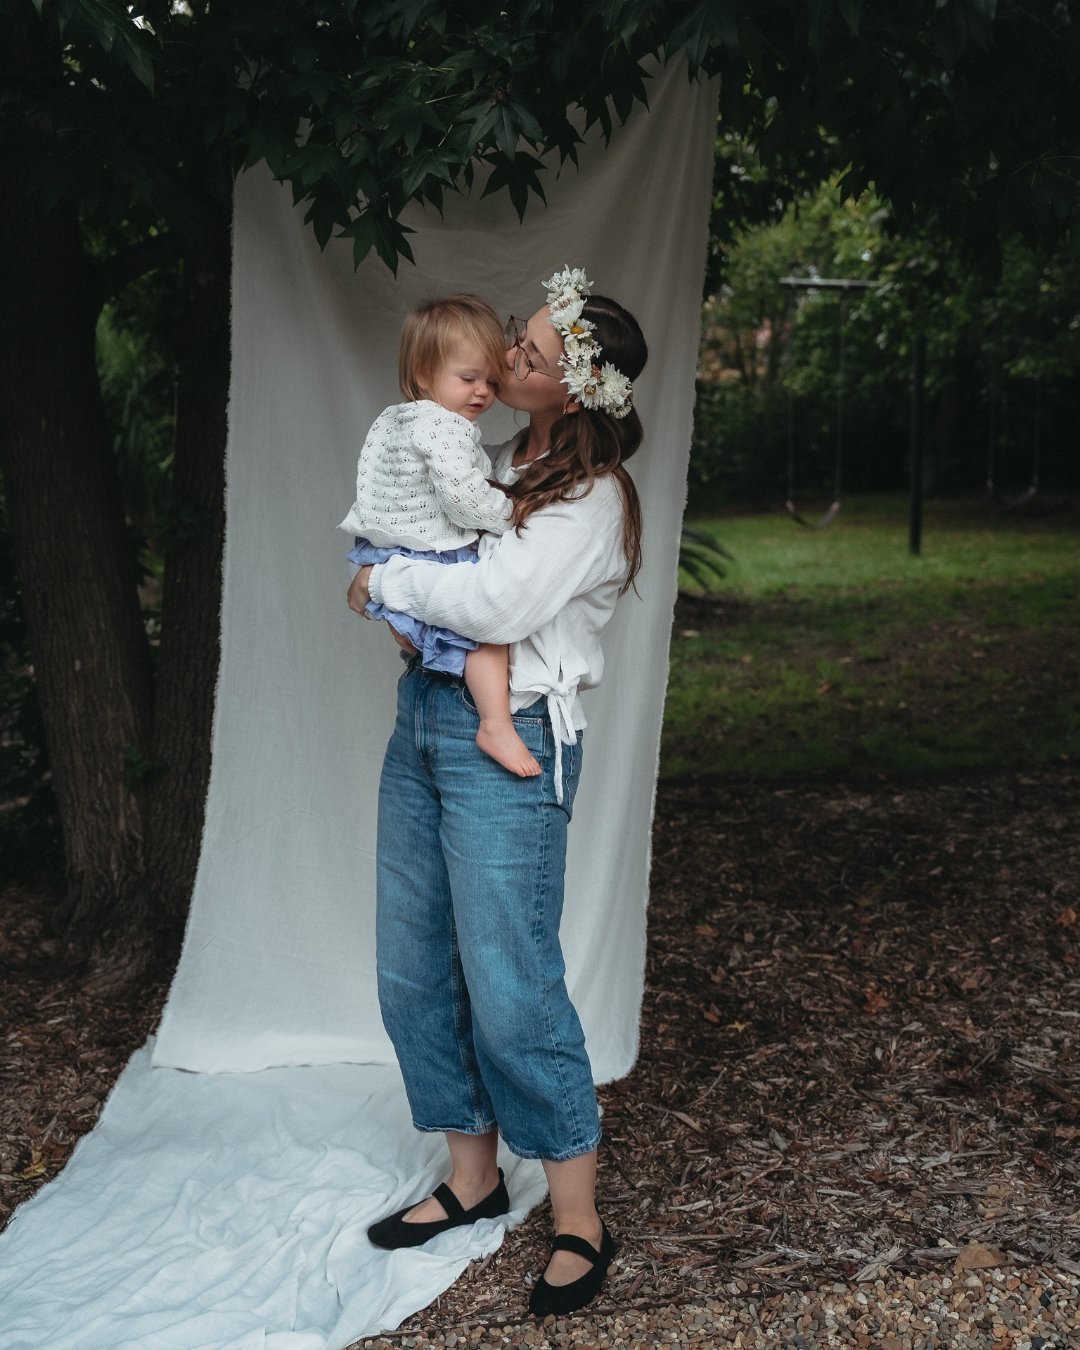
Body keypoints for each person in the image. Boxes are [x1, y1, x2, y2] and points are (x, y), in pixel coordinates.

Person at [347, 267, 647, 1317]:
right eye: (514, 346)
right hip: (425, 718)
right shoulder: (491, 454)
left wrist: (379, 580)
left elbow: (490, 599)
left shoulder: (592, 500)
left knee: (512, 986)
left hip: (510, 733)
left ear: (579, 389)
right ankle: (473, 1182)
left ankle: (578, 1217)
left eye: (530, 356)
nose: (510, 361)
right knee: (413, 967)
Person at [340, 294, 540, 777]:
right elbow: (463, 497)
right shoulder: (445, 427)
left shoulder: (395, 418)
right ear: (423, 373)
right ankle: (495, 722)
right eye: (468, 378)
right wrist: (511, 511)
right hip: (432, 548)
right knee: (486, 635)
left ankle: (433, 664)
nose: (482, 393)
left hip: (389, 545)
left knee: (423, 642)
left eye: (492, 381)